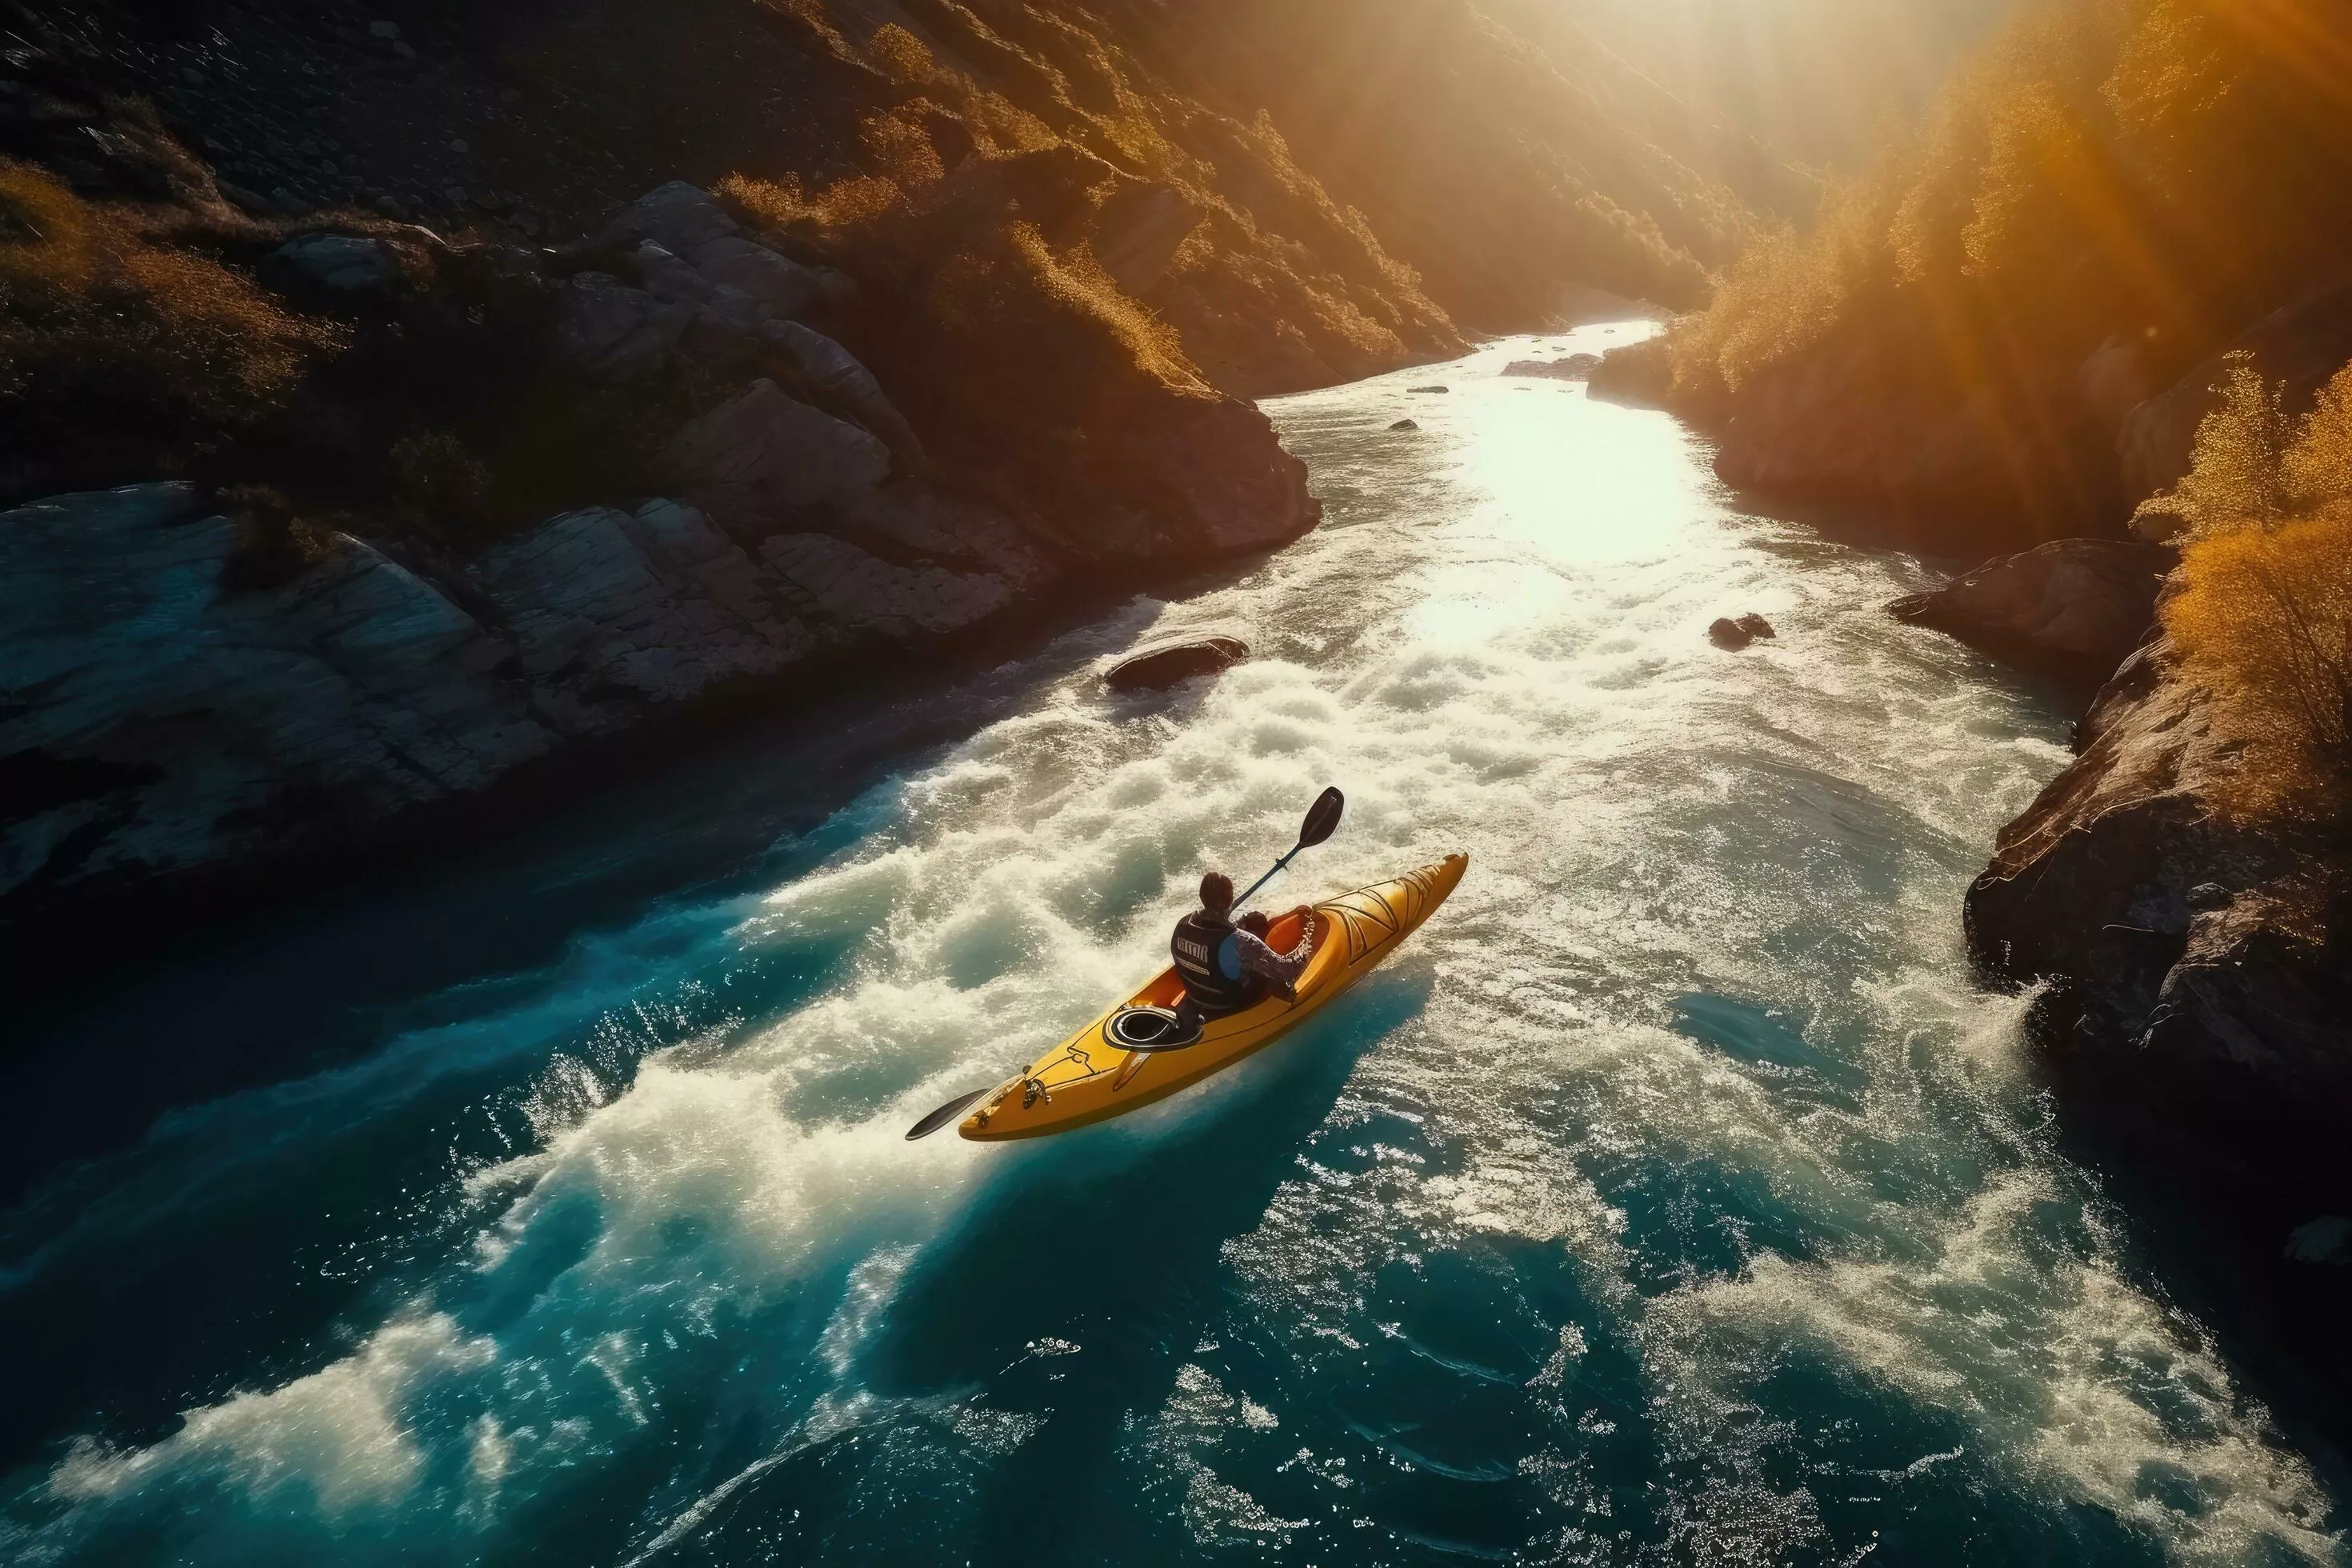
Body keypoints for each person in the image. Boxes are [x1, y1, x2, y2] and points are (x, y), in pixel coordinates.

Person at [1170, 871, 1316, 1018]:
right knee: (1277, 975)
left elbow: (1212, 937)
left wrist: (1245, 921)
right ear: (1230, 899)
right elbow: (1286, 970)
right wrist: (1308, 938)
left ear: (1202, 896)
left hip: (1197, 997)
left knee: (1256, 920)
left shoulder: (1182, 924)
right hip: (1230, 1005)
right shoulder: (1241, 941)